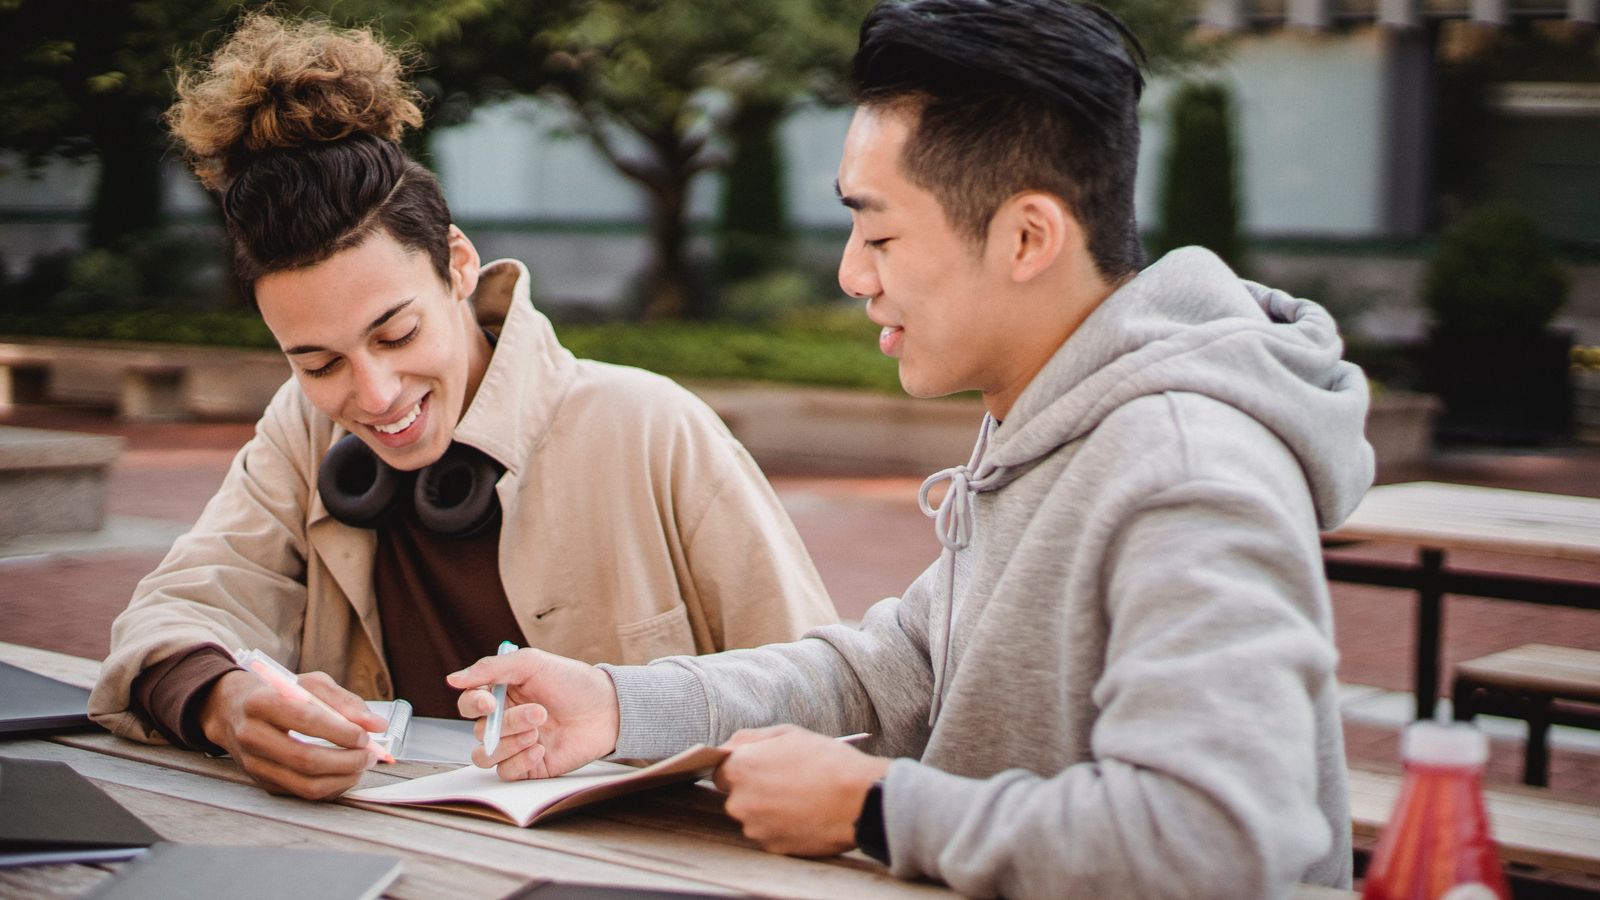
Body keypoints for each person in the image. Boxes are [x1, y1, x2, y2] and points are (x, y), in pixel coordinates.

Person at [446, 0, 1376, 896]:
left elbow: (1215, 842)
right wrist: (617, 706)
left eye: (880, 232)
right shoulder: (1054, 421)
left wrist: (874, 809)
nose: (853, 273)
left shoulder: (1183, 469)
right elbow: (897, 666)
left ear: (1026, 236)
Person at [87, 14, 836, 802]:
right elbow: (173, 612)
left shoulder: (652, 426)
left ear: (459, 265)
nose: (372, 396)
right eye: (318, 362)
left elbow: (826, 692)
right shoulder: (303, 428)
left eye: (398, 332)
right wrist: (223, 702)